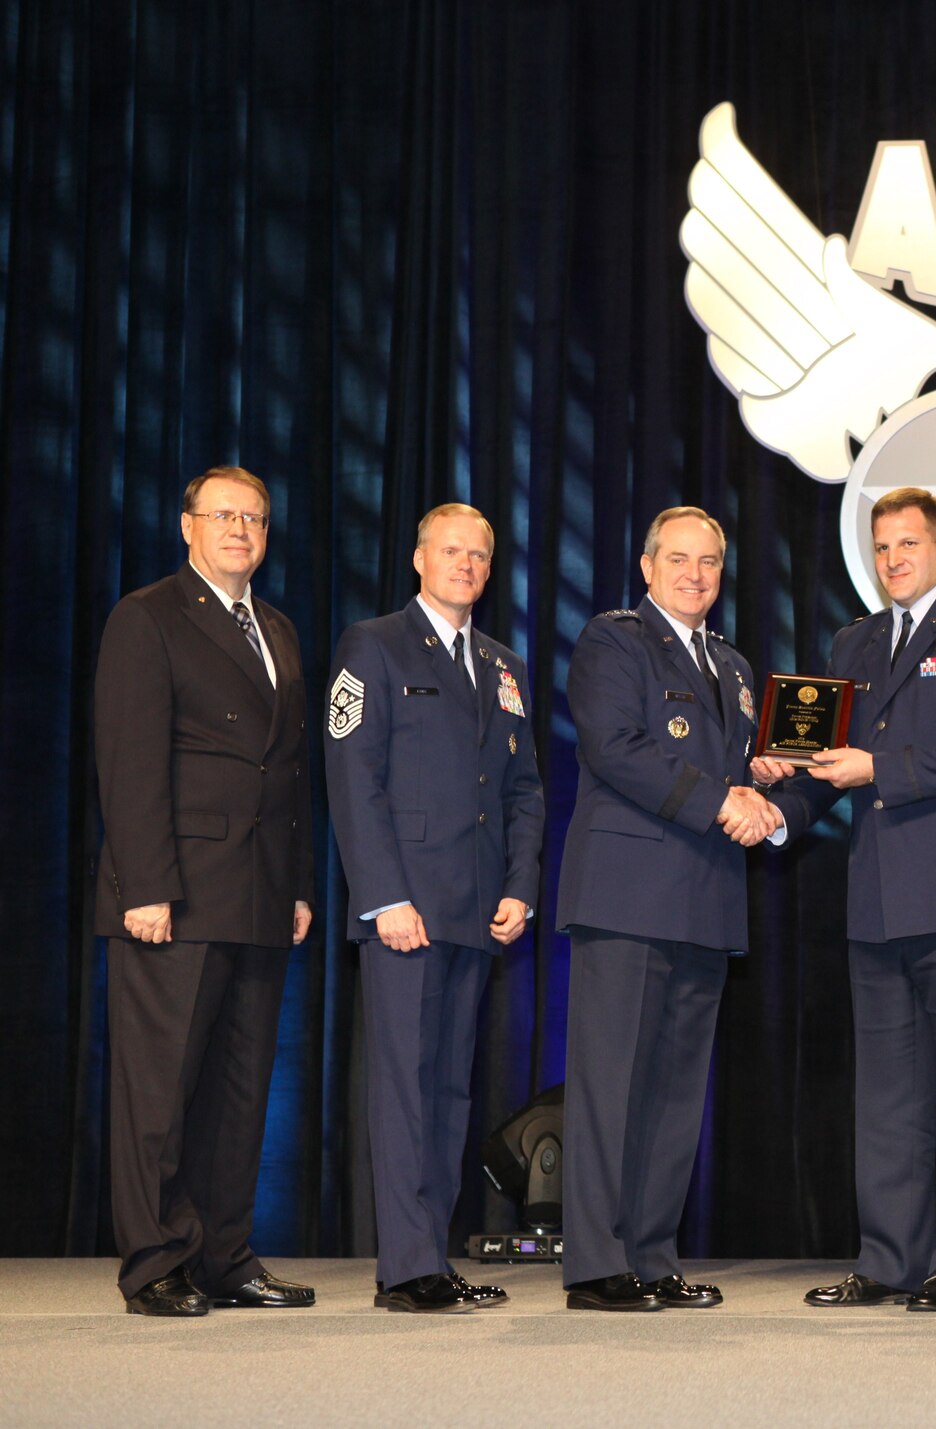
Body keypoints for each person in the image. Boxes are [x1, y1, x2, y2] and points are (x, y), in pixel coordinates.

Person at [755, 486, 936, 1312]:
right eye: (882, 549)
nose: (894, 561)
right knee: (886, 1096)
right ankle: (886, 1260)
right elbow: (824, 763)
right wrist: (778, 804)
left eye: (909, 544)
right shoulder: (855, 641)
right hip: (879, 896)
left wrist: (880, 769)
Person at [92, 465, 316, 1316]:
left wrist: (297, 884)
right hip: (173, 895)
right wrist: (146, 885)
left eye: (254, 516)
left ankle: (226, 1255)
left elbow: (289, 773)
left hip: (259, 894)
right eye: (223, 514)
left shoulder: (280, 629)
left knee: (238, 1090)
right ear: (187, 525)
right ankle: (155, 1261)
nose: (240, 529)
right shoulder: (147, 617)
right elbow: (130, 759)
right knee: (160, 1089)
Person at [555, 506, 782, 1312]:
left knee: (675, 1093)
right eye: (679, 558)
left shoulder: (732, 662)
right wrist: (726, 799)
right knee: (611, 1084)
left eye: (710, 561)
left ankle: (650, 1255)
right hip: (628, 892)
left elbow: (727, 763)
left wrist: (766, 777)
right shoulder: (613, 641)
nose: (694, 574)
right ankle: (594, 1262)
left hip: (707, 899)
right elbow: (617, 749)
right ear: (647, 566)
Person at [324, 502, 546, 1313]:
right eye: (451, 550)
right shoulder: (373, 645)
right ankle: (406, 1266)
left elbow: (524, 789)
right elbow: (355, 780)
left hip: (477, 910)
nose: (466, 564)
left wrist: (521, 884)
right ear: (419, 558)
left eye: (479, 554)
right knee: (404, 1087)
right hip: (406, 910)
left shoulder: (503, 663)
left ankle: (434, 1258)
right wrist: (384, 896)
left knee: (451, 1088)